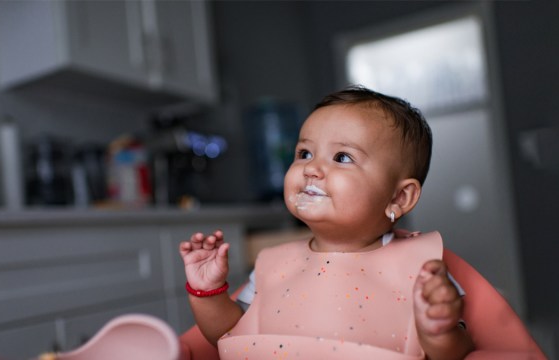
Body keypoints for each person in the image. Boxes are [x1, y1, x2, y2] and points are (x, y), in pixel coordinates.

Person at [179, 85, 474, 359]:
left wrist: (439, 330)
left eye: (342, 157)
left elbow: (460, 353)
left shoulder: (421, 270)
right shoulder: (274, 266)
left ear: (398, 197)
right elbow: (231, 336)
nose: (311, 168)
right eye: (304, 153)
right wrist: (208, 292)